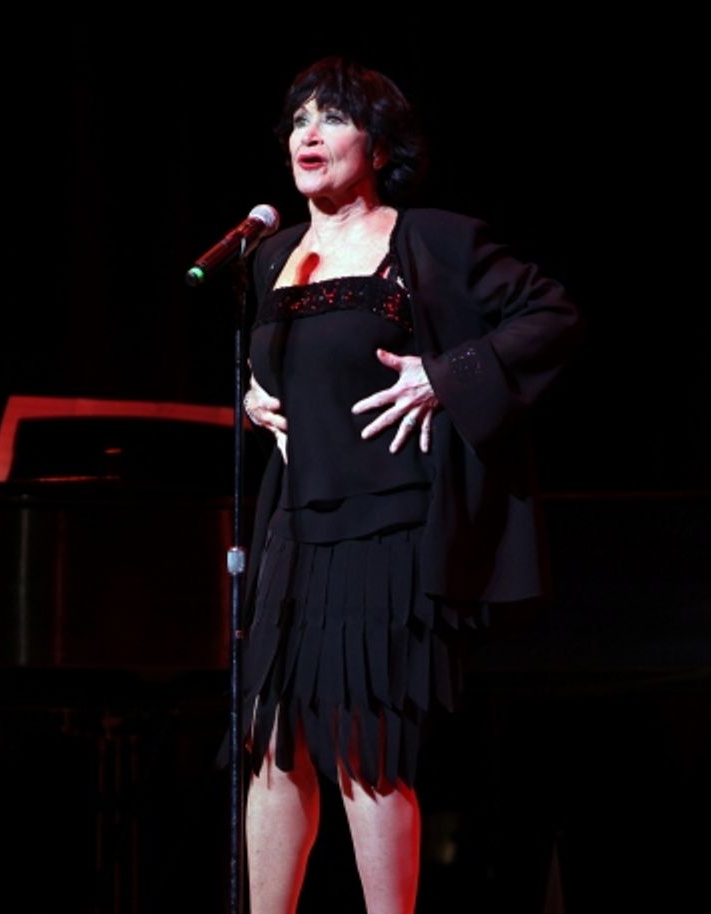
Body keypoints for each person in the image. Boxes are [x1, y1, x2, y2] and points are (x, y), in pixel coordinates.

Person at [231, 57, 581, 913]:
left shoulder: (429, 241)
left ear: (380, 145)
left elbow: (553, 316)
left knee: (362, 745)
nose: (308, 133)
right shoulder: (270, 255)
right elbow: (287, 372)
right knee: (275, 747)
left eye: (333, 118)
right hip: (292, 531)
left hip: (387, 526)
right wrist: (251, 392)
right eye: (298, 118)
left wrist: (446, 375)